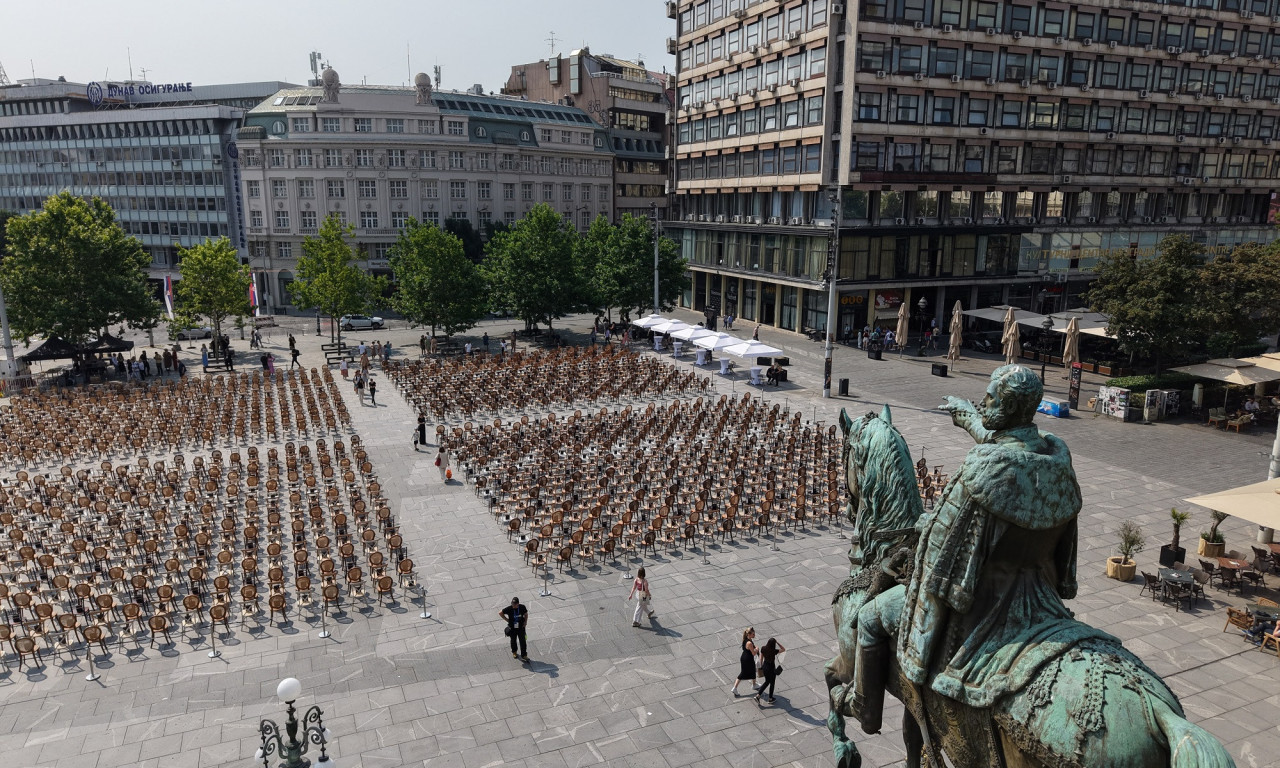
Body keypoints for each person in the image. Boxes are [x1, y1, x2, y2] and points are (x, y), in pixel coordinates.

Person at [850, 365, 1085, 734]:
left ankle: (865, 710)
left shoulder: (982, 472)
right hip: (1040, 597)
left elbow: (943, 547)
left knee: (868, 618)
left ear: (1007, 408)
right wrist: (967, 418)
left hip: (986, 602)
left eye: (990, 397)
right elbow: (1008, 450)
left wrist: (926, 524)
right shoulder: (1055, 459)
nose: (983, 401)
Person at [731, 627, 760, 696]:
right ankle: (735, 688)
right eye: (753, 634)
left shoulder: (746, 639)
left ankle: (754, 684)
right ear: (749, 634)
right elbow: (753, 653)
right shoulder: (749, 642)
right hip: (748, 659)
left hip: (745, 658)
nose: (754, 635)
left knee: (753, 670)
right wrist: (757, 649)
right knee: (743, 673)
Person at [756, 637, 786, 704]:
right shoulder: (774, 651)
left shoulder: (763, 648)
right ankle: (770, 698)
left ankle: (758, 695)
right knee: (772, 683)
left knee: (767, 681)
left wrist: (761, 666)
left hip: (765, 667)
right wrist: (777, 642)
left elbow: (761, 658)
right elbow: (783, 649)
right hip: (771, 668)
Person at [499, 597, 529, 661]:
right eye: (512, 603)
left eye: (514, 604)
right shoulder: (509, 608)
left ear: (518, 604)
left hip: (521, 627)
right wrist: (507, 619)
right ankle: (514, 652)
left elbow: (526, 614)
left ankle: (524, 655)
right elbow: (500, 613)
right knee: (513, 641)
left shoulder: (522, 607)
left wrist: (525, 622)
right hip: (513, 628)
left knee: (523, 641)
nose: (513, 605)